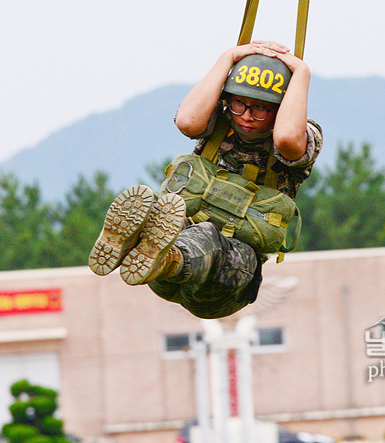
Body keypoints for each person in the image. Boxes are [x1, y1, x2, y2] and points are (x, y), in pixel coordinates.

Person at [88, 40, 323, 319]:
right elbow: (187, 121)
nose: (246, 117)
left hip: (227, 279)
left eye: (260, 108)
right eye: (238, 104)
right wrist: (229, 57)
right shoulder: (218, 124)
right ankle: (139, 248)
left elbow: (286, 139)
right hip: (166, 268)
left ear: (280, 107)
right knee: (152, 204)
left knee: (205, 237)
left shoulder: (301, 138)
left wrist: (302, 72)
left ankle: (164, 258)